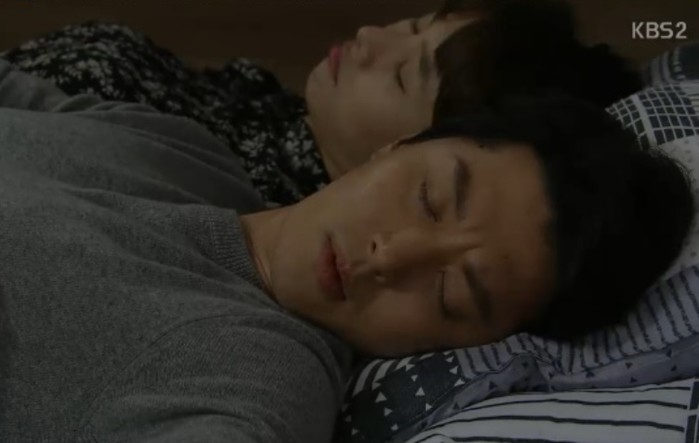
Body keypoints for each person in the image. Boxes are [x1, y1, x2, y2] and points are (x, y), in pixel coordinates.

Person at [0, 55, 691, 442]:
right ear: (395, 148)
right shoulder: (187, 152)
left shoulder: (259, 375)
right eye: (428, 197)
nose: (390, 258)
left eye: (450, 293)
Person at [2, 0, 641, 205]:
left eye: (403, 76)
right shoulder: (265, 104)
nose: (369, 38)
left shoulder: (231, 197)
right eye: (413, 24)